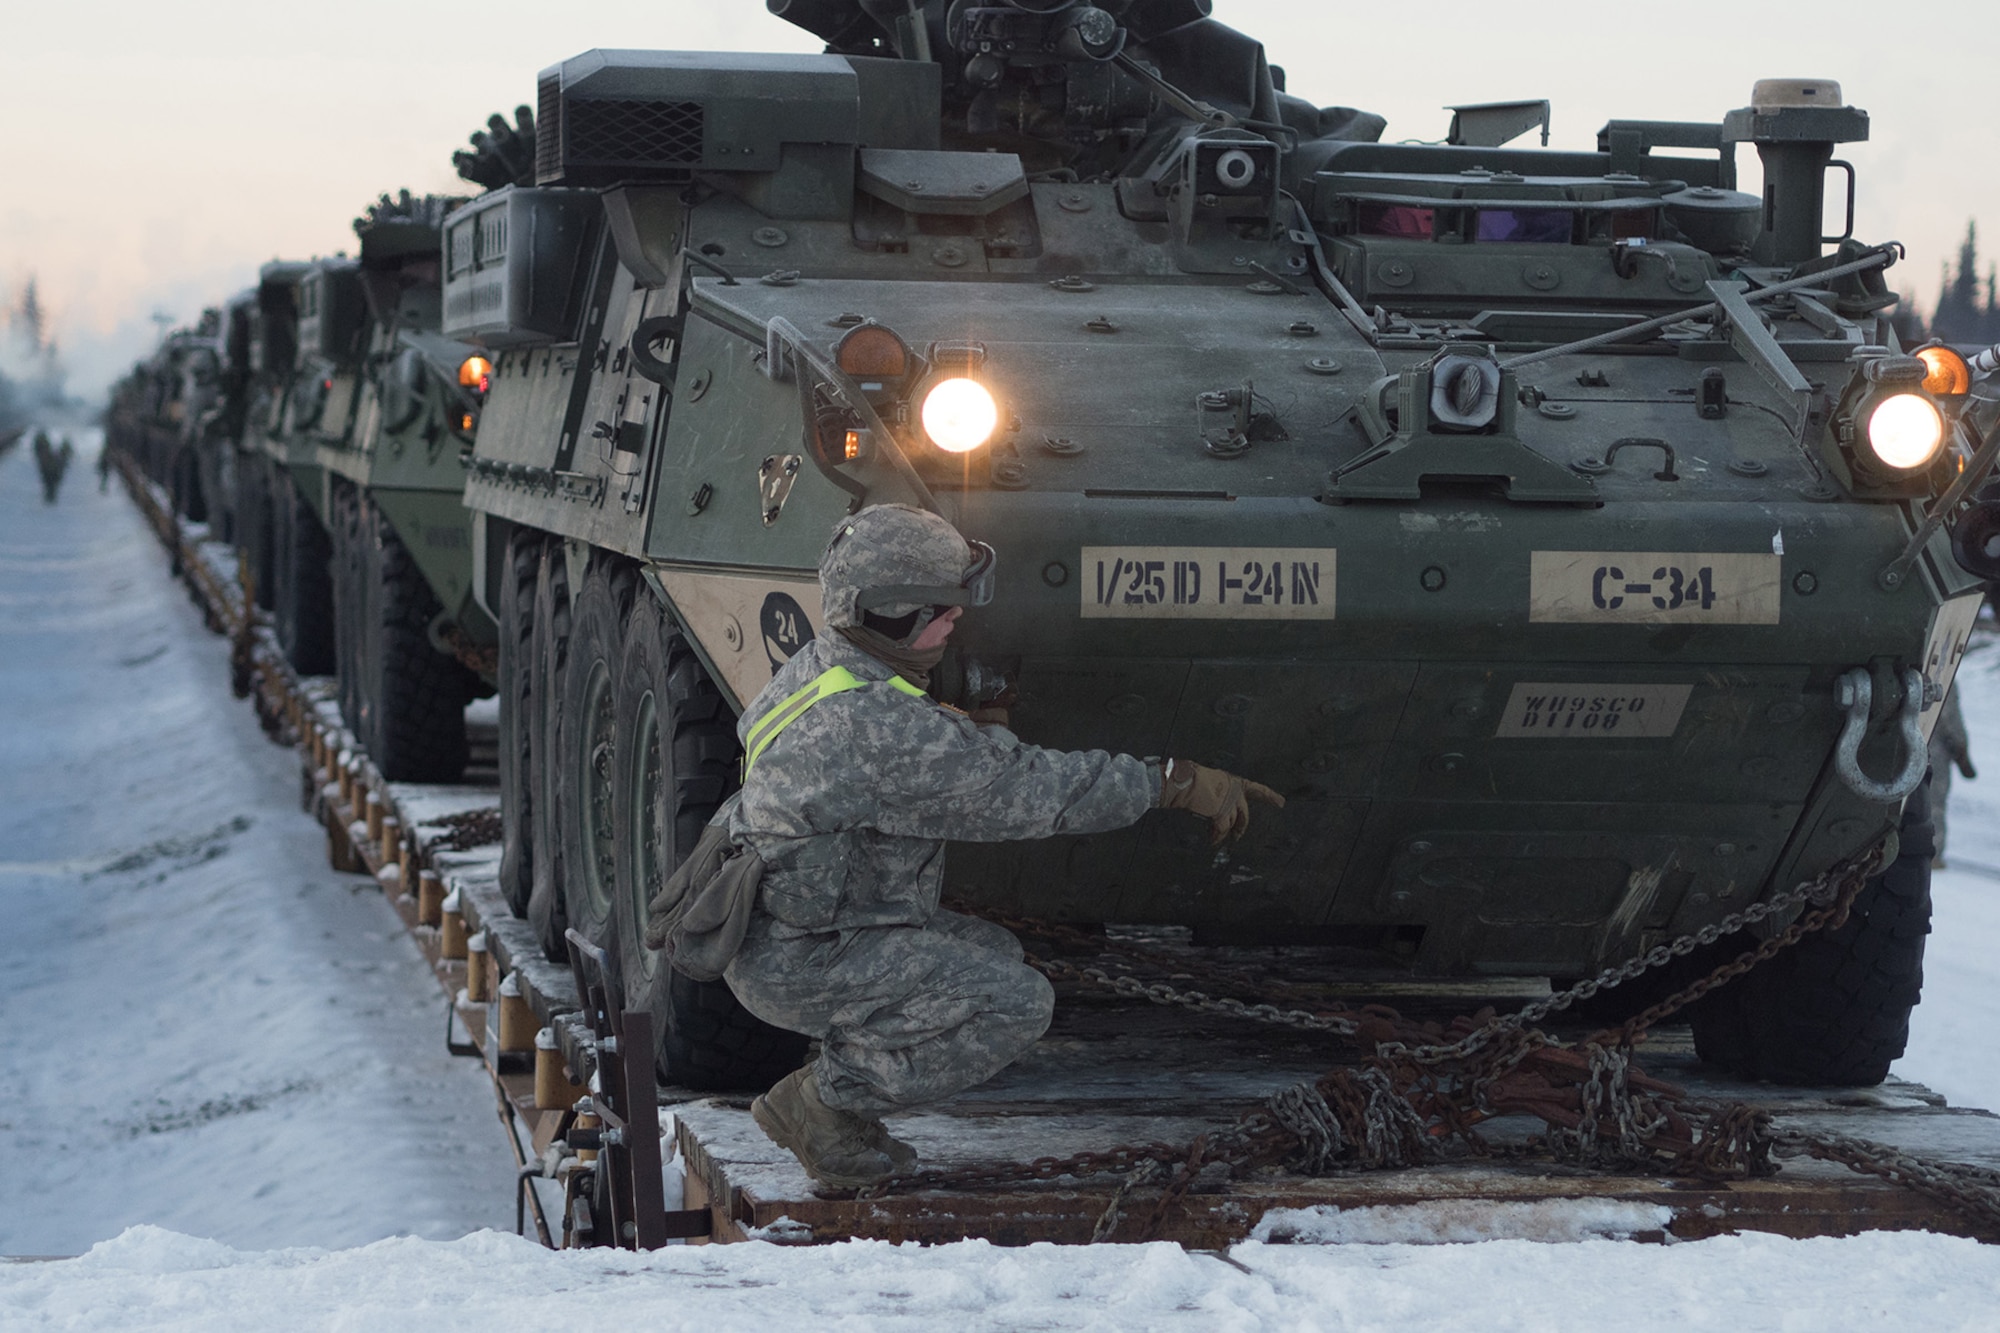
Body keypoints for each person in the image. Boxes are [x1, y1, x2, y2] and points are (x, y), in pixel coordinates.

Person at [711, 504, 1283, 1189]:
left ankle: (841, 1108)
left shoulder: (828, 667)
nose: (959, 621)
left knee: (992, 957)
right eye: (945, 609)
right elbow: (1030, 793)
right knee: (1014, 1002)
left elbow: (946, 767)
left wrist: (985, 723)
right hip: (802, 954)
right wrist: (1174, 783)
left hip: (798, 925)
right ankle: (824, 1104)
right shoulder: (871, 722)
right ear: (894, 614)